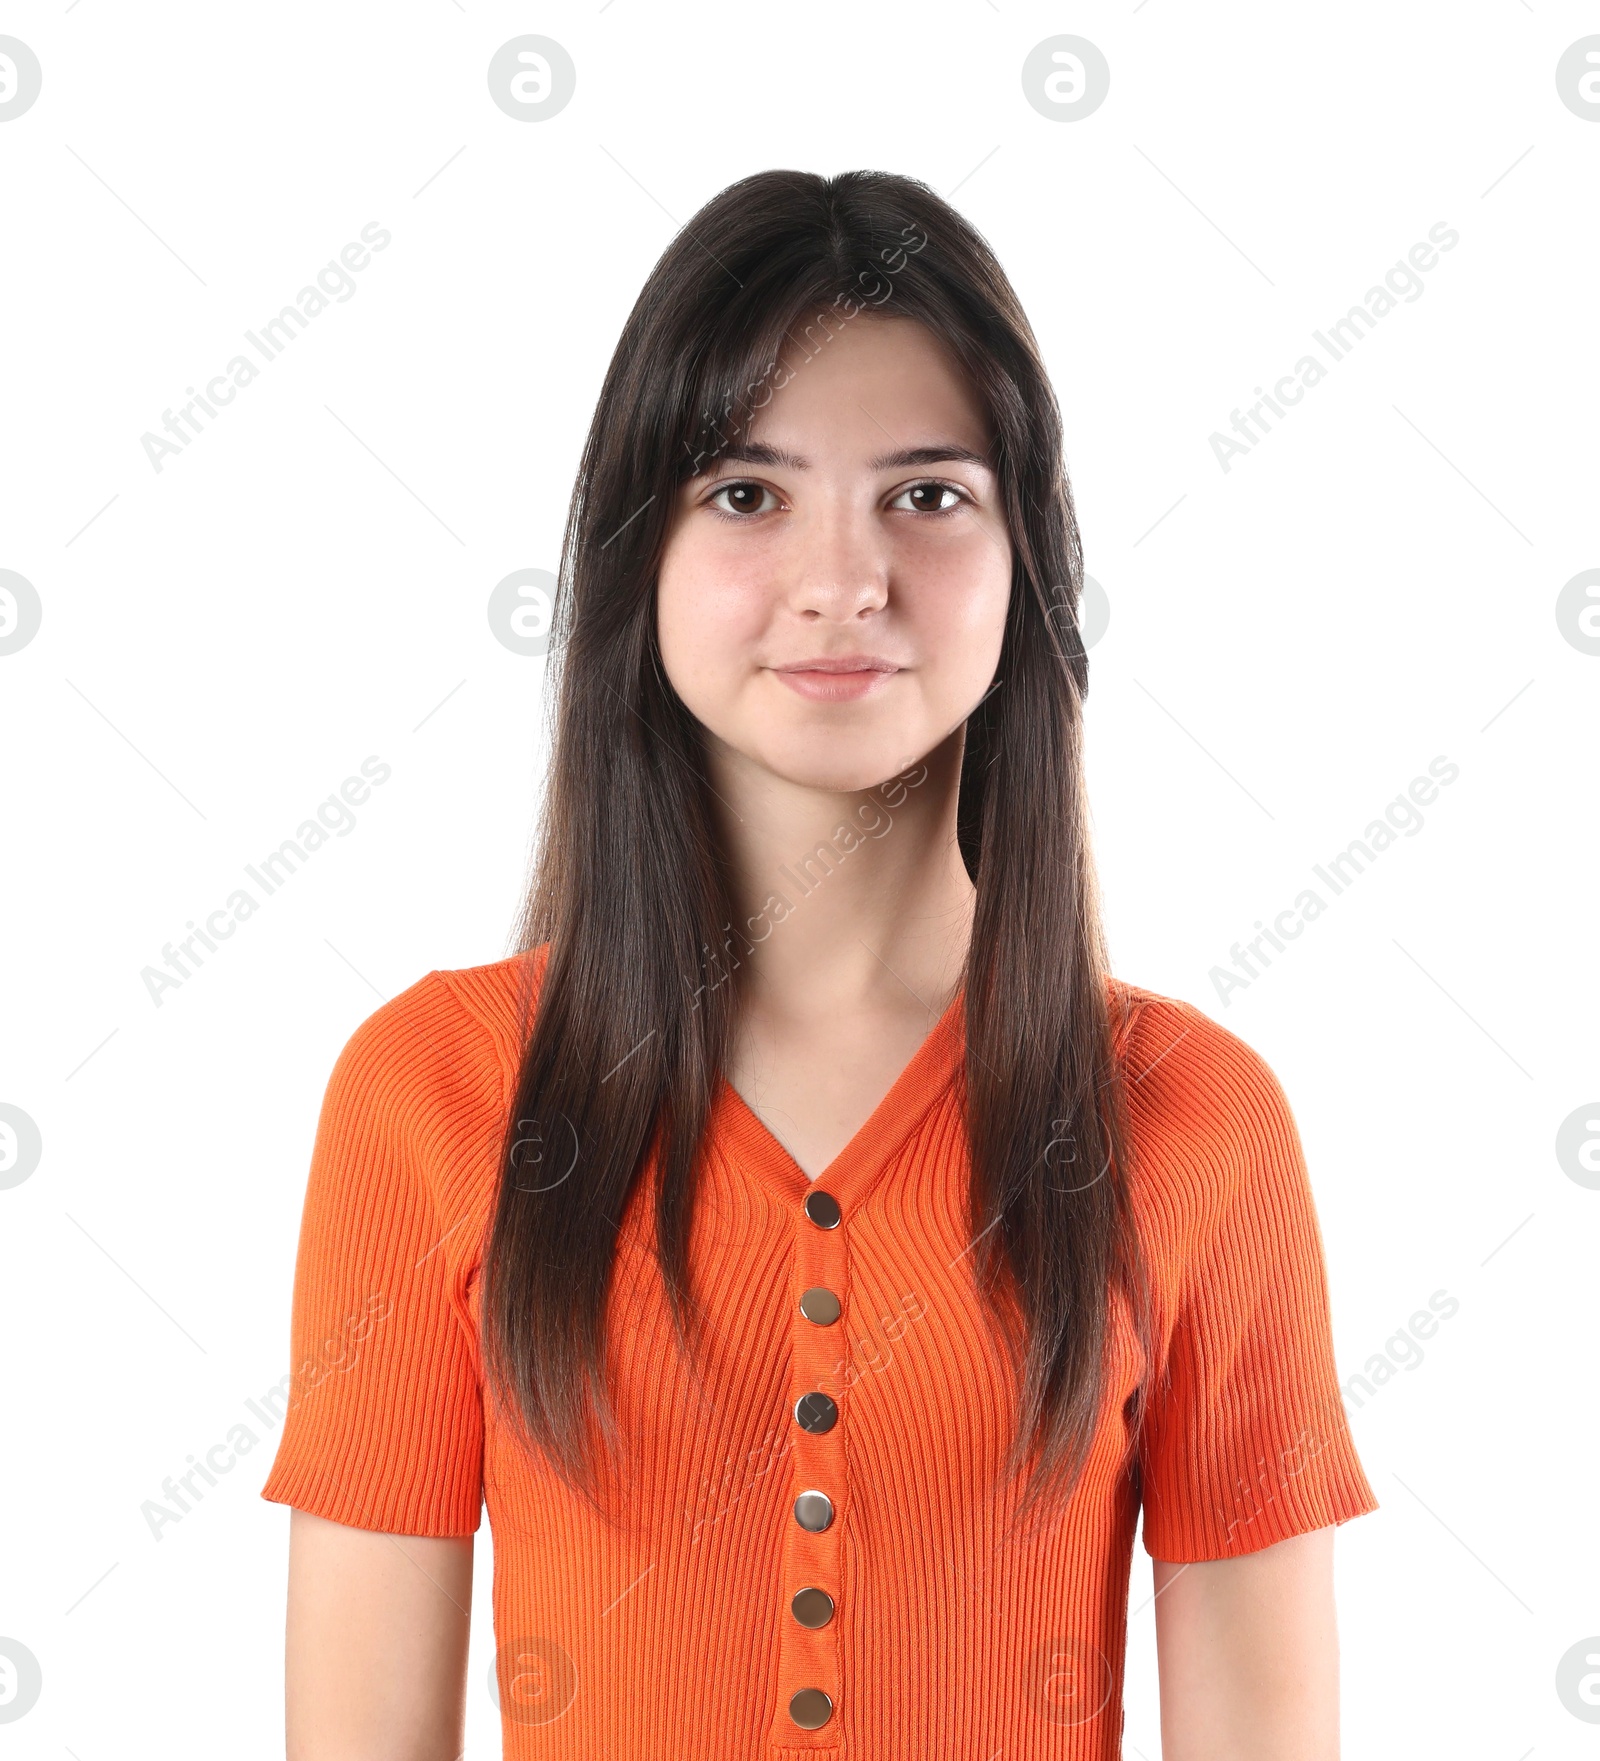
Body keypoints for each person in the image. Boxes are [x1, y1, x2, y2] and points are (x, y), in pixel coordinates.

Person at [260, 168, 1376, 1759]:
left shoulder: (1200, 1120)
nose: (842, 581)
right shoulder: (428, 1094)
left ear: (1028, 564)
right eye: (746, 492)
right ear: (636, 553)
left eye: (928, 495)